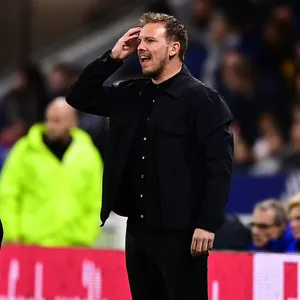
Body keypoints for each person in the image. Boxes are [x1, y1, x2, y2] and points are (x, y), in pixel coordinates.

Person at [66, 12, 234, 300]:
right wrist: (113, 58)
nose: (141, 47)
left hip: (182, 234)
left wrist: (207, 223)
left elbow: (219, 167)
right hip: (139, 232)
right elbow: (79, 97)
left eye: (150, 41)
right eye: (140, 40)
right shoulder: (130, 94)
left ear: (173, 48)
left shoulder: (203, 100)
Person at [0, 97, 103, 247]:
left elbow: (95, 199)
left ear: (73, 122)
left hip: (73, 246)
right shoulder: (25, 150)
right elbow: (8, 194)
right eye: (48, 119)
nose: (50, 126)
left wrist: (86, 236)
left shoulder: (88, 155)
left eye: (57, 120)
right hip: (30, 243)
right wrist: (12, 234)